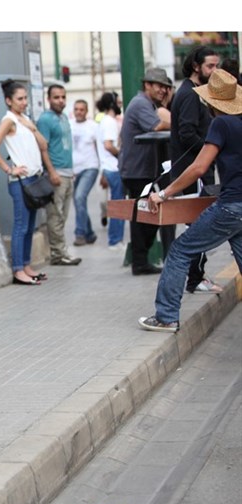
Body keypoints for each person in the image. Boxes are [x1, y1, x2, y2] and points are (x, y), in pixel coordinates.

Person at [138, 68, 242, 332]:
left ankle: (166, 316)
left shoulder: (221, 124)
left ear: (209, 101)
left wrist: (163, 193)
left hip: (231, 206)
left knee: (181, 250)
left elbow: (198, 167)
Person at [0, 79, 51, 285]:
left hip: (33, 178)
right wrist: (9, 169)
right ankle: (17, 269)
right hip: (20, 181)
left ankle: (26, 265)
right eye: (20, 99)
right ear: (9, 100)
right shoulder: (9, 120)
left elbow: (44, 145)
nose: (24, 102)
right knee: (21, 225)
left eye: (25, 98)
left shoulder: (24, 120)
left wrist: (31, 127)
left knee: (30, 225)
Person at [169, 46, 222, 294]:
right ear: (196, 66)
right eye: (210, 66)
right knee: (198, 226)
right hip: (193, 171)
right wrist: (211, 149)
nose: (214, 71)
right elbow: (187, 132)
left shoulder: (196, 92)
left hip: (198, 169)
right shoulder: (190, 94)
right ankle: (195, 278)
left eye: (216, 66)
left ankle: (196, 276)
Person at [119, 67, 173, 275]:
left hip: (143, 170)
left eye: (165, 87)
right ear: (147, 85)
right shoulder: (141, 104)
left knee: (146, 215)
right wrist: (179, 121)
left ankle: (141, 260)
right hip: (137, 170)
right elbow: (158, 125)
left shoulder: (148, 104)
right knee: (144, 217)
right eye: (159, 86)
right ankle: (140, 262)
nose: (162, 90)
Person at [37, 85, 82, 266]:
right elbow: (43, 148)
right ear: (49, 99)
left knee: (62, 216)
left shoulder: (64, 117)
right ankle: (58, 254)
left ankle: (60, 250)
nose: (61, 100)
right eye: (56, 97)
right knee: (55, 216)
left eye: (63, 97)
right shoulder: (45, 120)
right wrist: (52, 172)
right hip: (55, 174)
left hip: (68, 173)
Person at [95, 92, 126, 250]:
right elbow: (108, 145)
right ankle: (115, 240)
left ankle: (116, 239)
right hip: (114, 168)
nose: (120, 105)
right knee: (118, 205)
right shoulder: (109, 122)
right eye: (118, 102)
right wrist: (121, 156)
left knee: (117, 203)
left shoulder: (105, 121)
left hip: (109, 167)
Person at [71, 99, 101, 246]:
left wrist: (103, 171)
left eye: (81, 109)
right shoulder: (69, 125)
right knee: (78, 201)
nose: (78, 112)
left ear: (86, 111)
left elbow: (100, 148)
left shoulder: (93, 127)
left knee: (79, 197)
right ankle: (90, 234)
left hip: (90, 167)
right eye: (76, 109)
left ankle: (80, 233)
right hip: (73, 169)